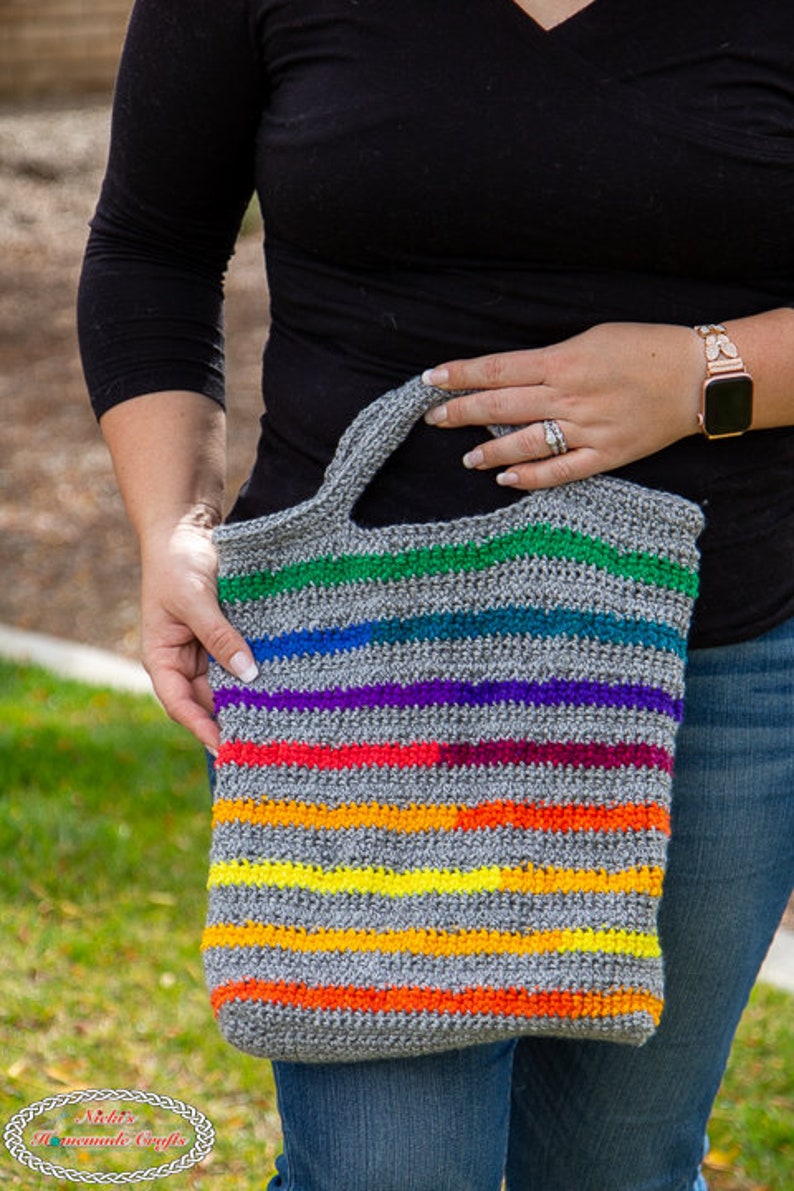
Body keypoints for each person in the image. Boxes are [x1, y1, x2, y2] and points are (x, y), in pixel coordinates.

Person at [77, 2, 794, 1188]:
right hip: (347, 665)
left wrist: (701, 374)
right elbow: (152, 242)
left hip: (708, 676)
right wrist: (172, 527)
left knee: (614, 1167)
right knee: (385, 1171)